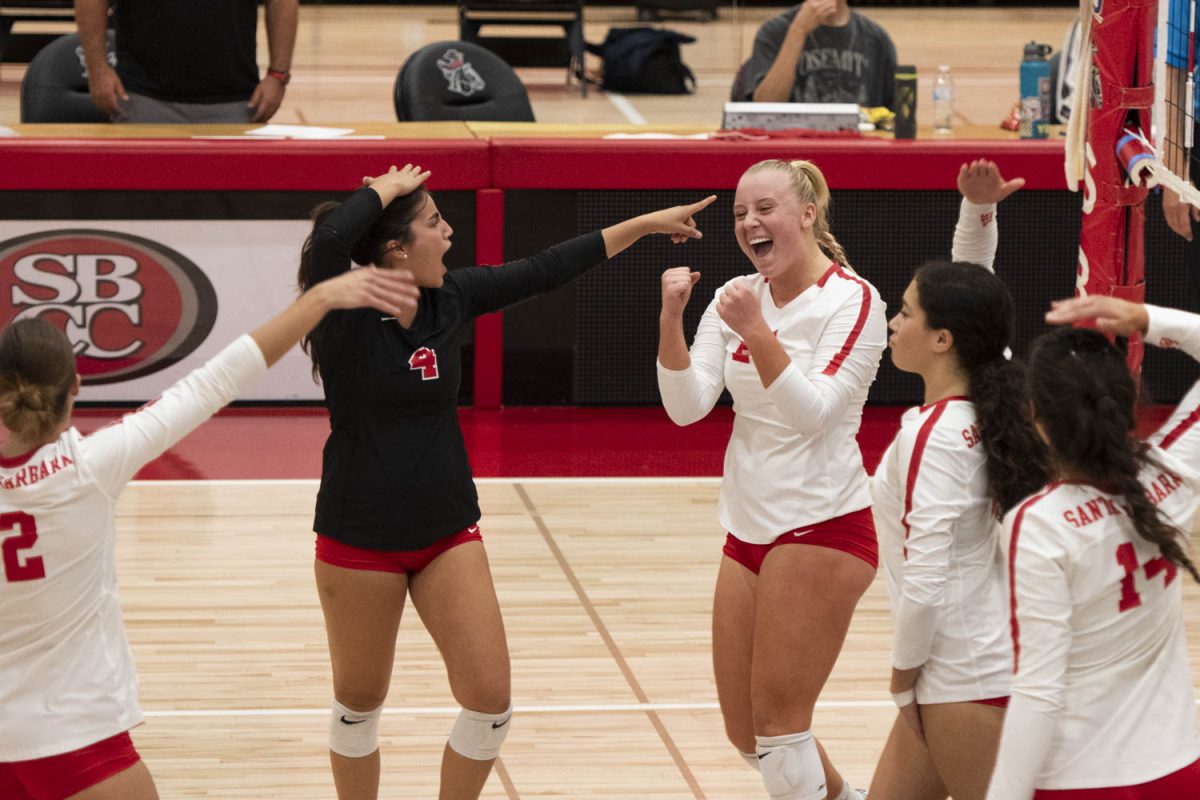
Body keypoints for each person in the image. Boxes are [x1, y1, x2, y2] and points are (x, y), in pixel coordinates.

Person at [298, 163, 714, 800]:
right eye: (435, 223)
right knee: (360, 703)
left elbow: (550, 266)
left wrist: (645, 226)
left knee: (490, 703)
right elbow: (329, 245)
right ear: (395, 250)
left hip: (445, 532)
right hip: (359, 538)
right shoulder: (339, 308)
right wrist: (383, 190)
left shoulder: (451, 297)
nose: (451, 232)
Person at [0, 268, 418, 800]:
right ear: (75, 387)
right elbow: (213, 382)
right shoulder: (91, 467)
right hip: (73, 735)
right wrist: (317, 300)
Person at [657, 158, 885, 800]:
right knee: (746, 733)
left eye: (765, 209)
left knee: (782, 727)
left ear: (807, 215)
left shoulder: (854, 300)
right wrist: (673, 316)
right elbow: (686, 406)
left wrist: (757, 335)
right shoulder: (737, 294)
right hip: (748, 526)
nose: (749, 223)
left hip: (825, 526)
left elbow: (814, 415)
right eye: (738, 214)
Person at [868, 161, 1049, 800]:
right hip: (979, 665)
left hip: (961, 676)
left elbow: (924, 579)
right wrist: (978, 216)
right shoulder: (992, 395)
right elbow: (980, 301)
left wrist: (900, 676)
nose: (893, 320)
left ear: (942, 339)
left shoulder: (936, 432)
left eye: (905, 311)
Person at [982, 294, 1200, 800]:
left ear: (1035, 416)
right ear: (1128, 400)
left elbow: (1039, 689)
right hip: (1181, 770)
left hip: (1081, 782)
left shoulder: (1038, 524)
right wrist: (1148, 319)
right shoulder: (1172, 476)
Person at [74, 0, 298, 123]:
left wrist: (278, 75)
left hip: (236, 102)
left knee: (232, 206)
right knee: (143, 205)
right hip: (143, 100)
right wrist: (98, 69)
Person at [730, 0, 896, 107]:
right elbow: (764, 107)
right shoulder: (774, 32)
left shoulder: (876, 38)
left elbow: (895, 119)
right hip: (793, 152)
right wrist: (798, 31)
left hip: (857, 151)